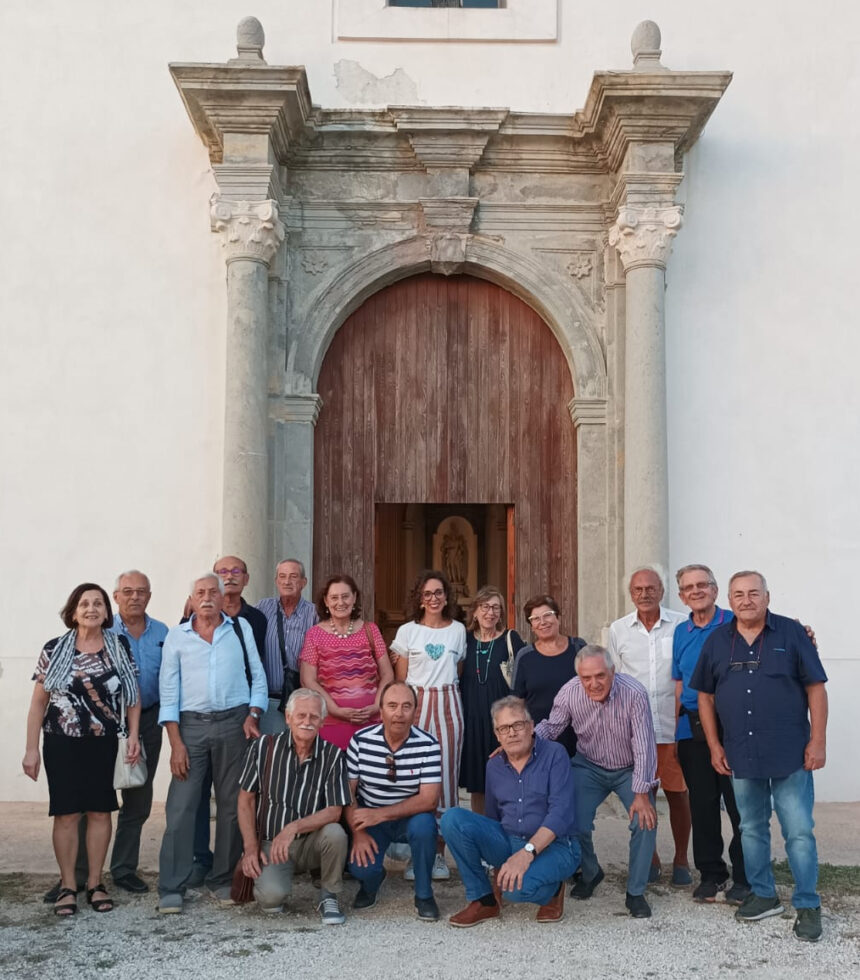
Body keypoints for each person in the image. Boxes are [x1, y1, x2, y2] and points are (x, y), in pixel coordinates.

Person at [691, 571, 828, 943]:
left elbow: (815, 687)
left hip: (791, 754)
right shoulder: (718, 641)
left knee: (798, 831)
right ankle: (764, 895)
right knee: (750, 828)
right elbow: (705, 695)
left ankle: (808, 903)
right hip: (741, 755)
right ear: (729, 600)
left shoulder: (792, 634)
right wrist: (715, 746)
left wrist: (818, 741)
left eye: (754, 593)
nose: (746, 600)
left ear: (767, 596)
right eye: (739, 594)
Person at [22, 583, 141, 916]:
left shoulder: (118, 647)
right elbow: (37, 704)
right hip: (61, 742)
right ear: (73, 611)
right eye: (85, 603)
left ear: (106, 612)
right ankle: (67, 886)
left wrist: (133, 735)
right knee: (67, 814)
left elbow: (132, 697)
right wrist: (31, 749)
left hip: (104, 742)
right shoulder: (55, 648)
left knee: (101, 811)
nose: (92, 608)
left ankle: (95, 883)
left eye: (98, 603)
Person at [156, 573, 268, 913]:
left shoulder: (239, 629)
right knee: (181, 807)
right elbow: (169, 693)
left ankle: (222, 878)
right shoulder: (177, 636)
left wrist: (253, 714)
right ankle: (172, 886)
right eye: (200, 592)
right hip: (190, 727)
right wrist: (175, 743)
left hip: (234, 723)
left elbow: (258, 677)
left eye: (213, 592)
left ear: (223, 598)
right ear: (191, 599)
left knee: (234, 805)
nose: (207, 598)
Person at [536, 644, 658, 918]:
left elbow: (644, 746)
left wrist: (641, 793)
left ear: (613, 672)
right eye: (586, 678)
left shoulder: (634, 693)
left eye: (600, 676)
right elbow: (553, 728)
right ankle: (591, 873)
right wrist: (521, 744)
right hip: (588, 765)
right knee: (570, 818)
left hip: (629, 768)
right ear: (579, 676)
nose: (593, 683)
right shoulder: (569, 692)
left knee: (645, 820)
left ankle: (636, 892)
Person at [442, 696, 579, 927]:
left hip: (556, 846)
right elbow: (493, 818)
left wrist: (525, 854)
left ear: (531, 726)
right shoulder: (494, 766)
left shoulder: (555, 754)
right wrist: (501, 867)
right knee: (452, 819)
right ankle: (483, 900)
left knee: (515, 892)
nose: (512, 733)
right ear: (497, 735)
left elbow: (561, 814)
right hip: (509, 839)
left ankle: (555, 889)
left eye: (518, 725)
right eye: (504, 728)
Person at [187, 554, 269, 887]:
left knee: (235, 794)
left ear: (245, 579)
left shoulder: (254, 620)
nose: (229, 577)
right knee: (193, 796)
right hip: (197, 717)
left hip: (242, 714)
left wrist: (253, 710)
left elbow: (258, 668)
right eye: (223, 572)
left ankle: (231, 862)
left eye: (236, 572)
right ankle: (198, 860)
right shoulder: (189, 620)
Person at [237, 688, 351, 924]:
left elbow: (334, 811)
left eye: (313, 717)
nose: (307, 722)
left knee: (335, 833)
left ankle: (329, 895)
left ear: (322, 721)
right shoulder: (264, 748)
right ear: (288, 718)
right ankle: (276, 880)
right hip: (271, 842)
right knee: (271, 900)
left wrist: (293, 828)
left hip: (310, 842)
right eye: (300, 716)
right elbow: (245, 800)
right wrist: (250, 847)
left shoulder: (333, 756)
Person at [608, 566, 690, 886]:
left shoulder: (681, 625)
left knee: (678, 794)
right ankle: (651, 858)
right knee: (642, 796)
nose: (644, 594)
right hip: (636, 731)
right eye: (638, 590)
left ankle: (681, 858)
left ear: (662, 591)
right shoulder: (618, 630)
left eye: (650, 588)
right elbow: (612, 679)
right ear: (631, 594)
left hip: (673, 727)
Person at [672, 563, 748, 904]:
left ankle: (745, 876)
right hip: (692, 728)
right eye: (689, 587)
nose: (696, 591)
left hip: (733, 724)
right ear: (681, 596)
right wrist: (676, 733)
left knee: (740, 804)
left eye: (702, 585)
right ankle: (712, 874)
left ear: (715, 590)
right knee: (702, 804)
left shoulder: (737, 621)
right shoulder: (680, 632)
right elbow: (678, 682)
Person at [390, 569, 466, 880]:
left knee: (445, 777)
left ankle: (438, 854)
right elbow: (400, 679)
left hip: (448, 702)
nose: (433, 598)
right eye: (427, 594)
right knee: (413, 774)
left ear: (446, 597)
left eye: (438, 593)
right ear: (420, 600)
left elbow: (457, 669)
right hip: (416, 703)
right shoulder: (408, 632)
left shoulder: (458, 630)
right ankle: (414, 853)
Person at [346, 681, 442, 920]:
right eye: (392, 705)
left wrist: (380, 814)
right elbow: (347, 793)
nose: (399, 713)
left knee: (425, 826)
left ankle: (424, 894)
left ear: (415, 712)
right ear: (381, 710)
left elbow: (429, 800)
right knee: (360, 868)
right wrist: (357, 833)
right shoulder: (360, 740)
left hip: (408, 818)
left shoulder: (428, 745)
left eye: (406, 706)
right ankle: (372, 881)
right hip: (370, 819)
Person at [299, 574, 393, 750]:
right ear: (326, 601)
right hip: (330, 722)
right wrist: (334, 709)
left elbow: (387, 673)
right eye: (334, 597)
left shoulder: (370, 630)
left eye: (345, 596)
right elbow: (308, 680)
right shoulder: (314, 634)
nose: (340, 602)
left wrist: (376, 706)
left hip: (370, 722)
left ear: (355, 597)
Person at [459, 586, 524, 814]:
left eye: (496, 607)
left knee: (506, 775)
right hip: (472, 719)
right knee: (478, 782)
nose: (490, 612)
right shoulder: (464, 639)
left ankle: (506, 828)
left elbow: (524, 676)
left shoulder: (510, 639)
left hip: (501, 721)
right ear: (475, 611)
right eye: (485, 607)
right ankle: (481, 827)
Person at [513, 595, 585, 759]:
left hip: (579, 739)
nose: (542, 622)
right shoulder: (525, 656)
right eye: (535, 619)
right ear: (531, 626)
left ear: (558, 617)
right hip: (539, 740)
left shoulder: (578, 648)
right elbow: (517, 702)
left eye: (547, 615)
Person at [256, 559, 319, 735]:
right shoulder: (262, 608)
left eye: (293, 576)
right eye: (282, 576)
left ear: (303, 582)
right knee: (273, 756)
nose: (287, 581)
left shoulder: (315, 613)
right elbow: (235, 617)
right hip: (271, 702)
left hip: (304, 701)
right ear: (276, 581)